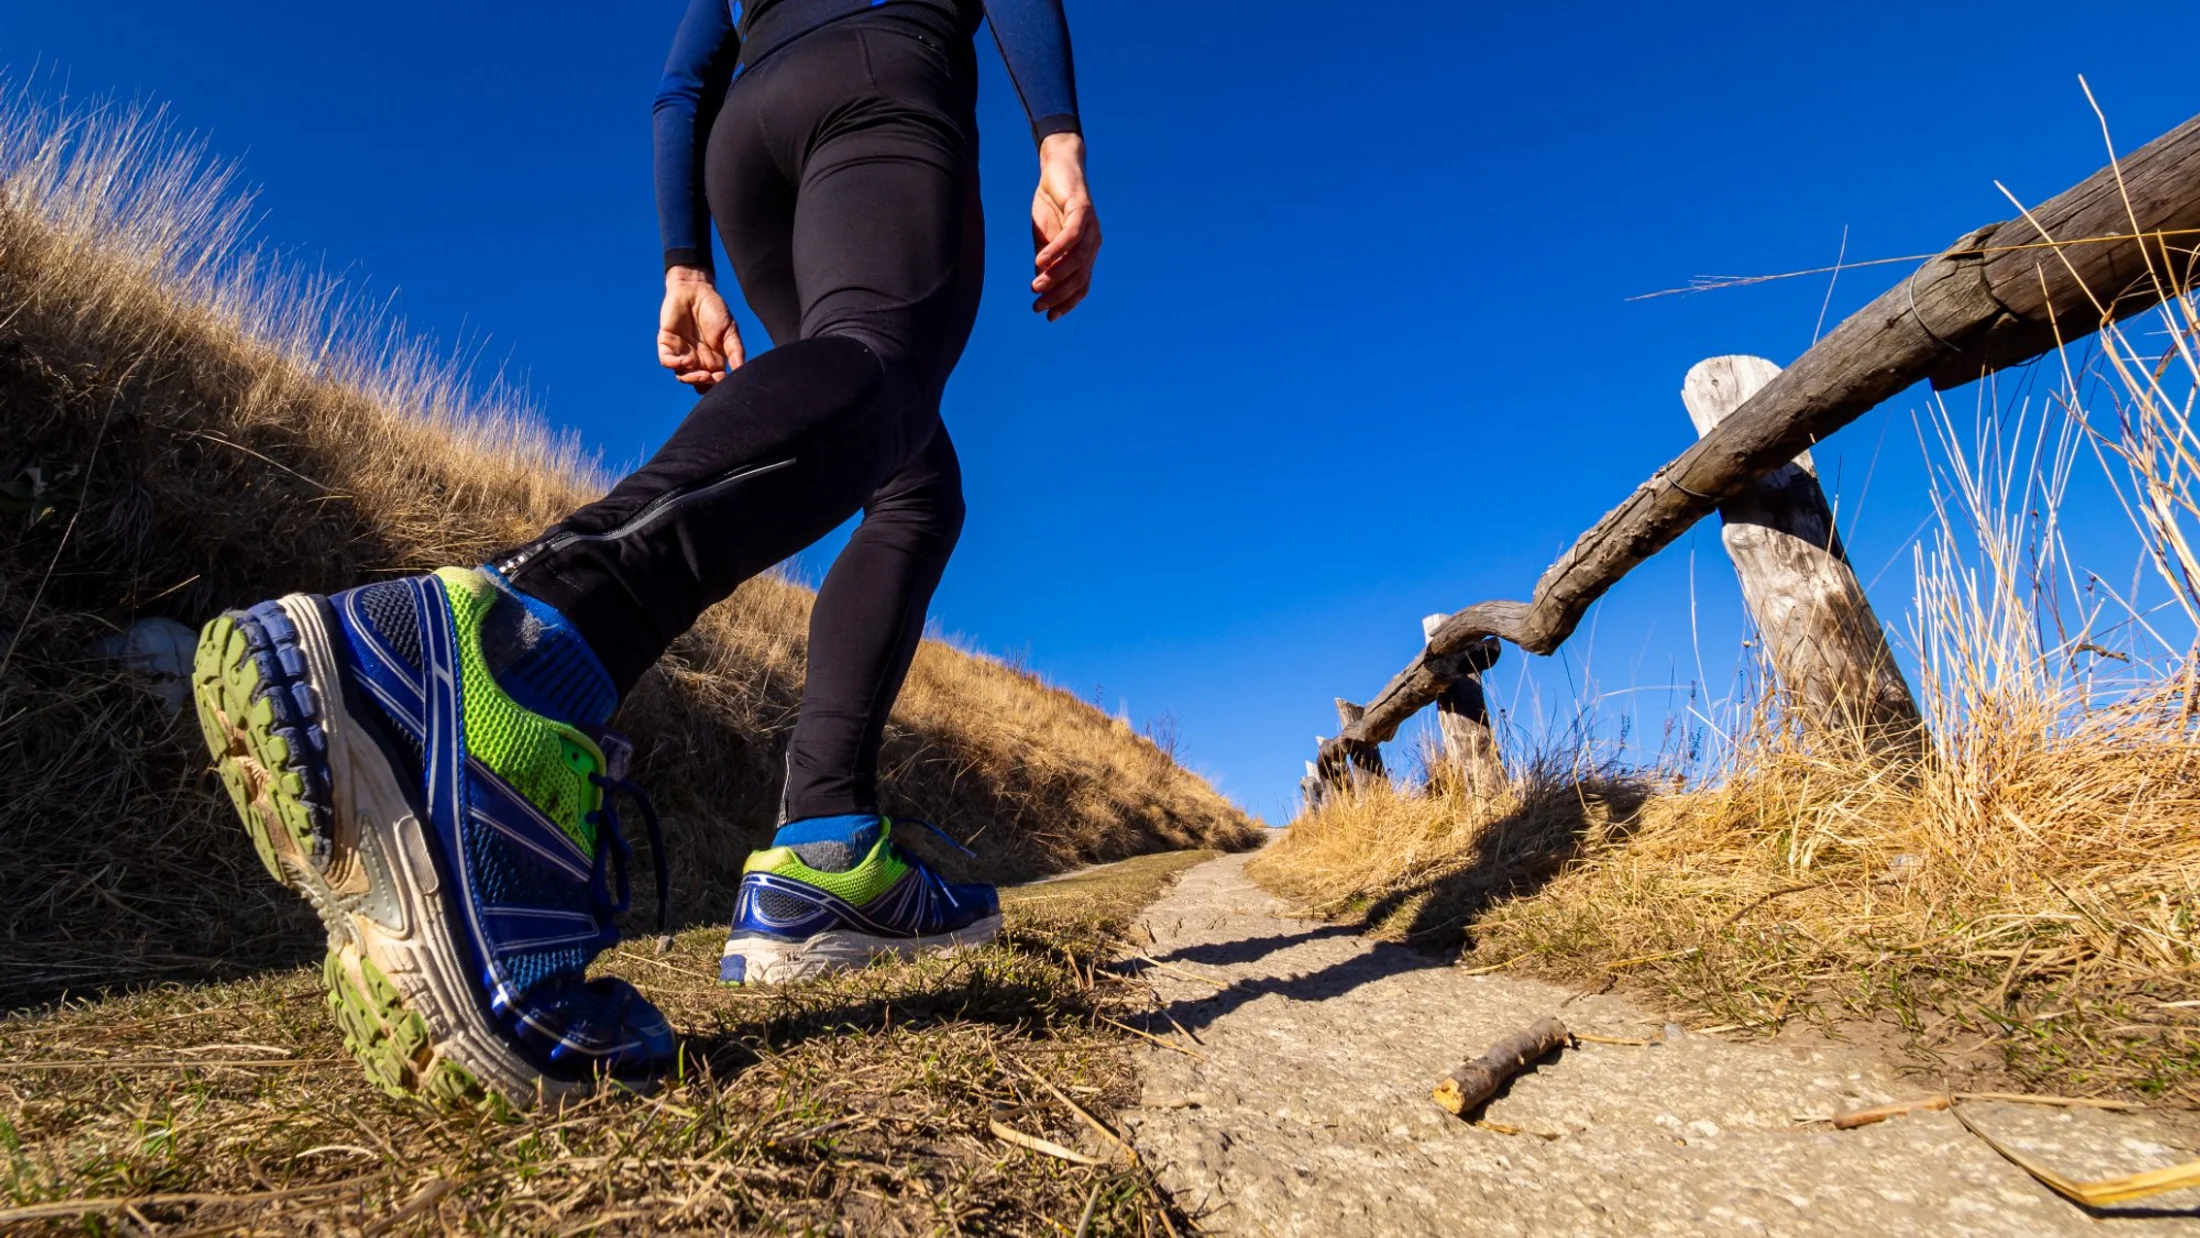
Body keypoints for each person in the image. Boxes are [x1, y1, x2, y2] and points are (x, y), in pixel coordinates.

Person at [191, 0, 1098, 1106]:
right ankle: (512, 643)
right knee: (879, 367)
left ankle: (826, 850)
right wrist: (1058, 136)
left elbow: (681, 82)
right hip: (881, 74)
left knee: (913, 479)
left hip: (746, 146)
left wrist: (684, 258)